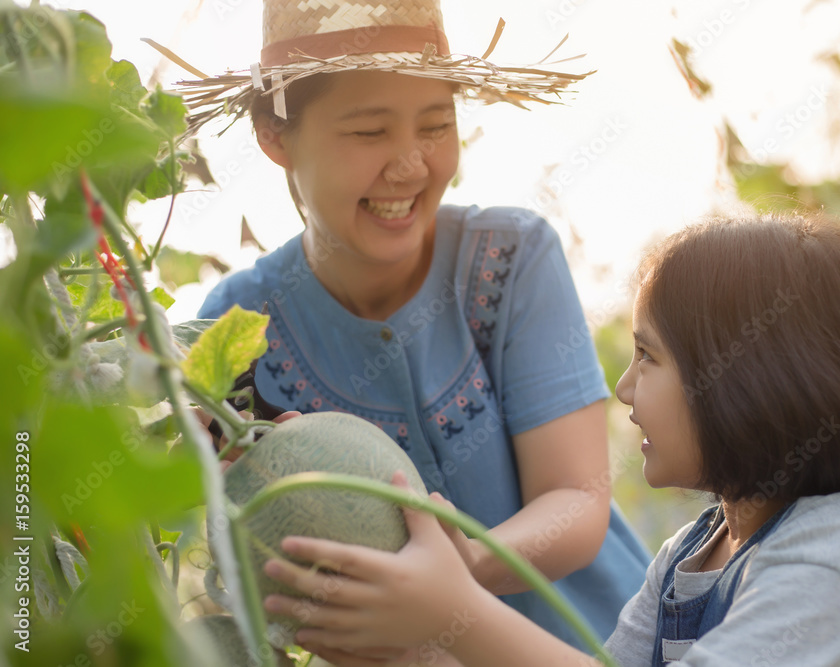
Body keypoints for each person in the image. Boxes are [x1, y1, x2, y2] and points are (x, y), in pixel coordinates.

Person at [260, 214, 840, 666]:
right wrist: (402, 640)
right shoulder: (693, 553)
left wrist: (458, 610)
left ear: (754, 377)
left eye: (649, 356)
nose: (624, 389)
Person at [187, 0, 651, 661]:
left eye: (436, 124)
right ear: (275, 133)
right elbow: (257, 561)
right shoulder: (236, 329)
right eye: (370, 132)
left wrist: (451, 573)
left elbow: (576, 500)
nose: (410, 165)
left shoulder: (512, 257)